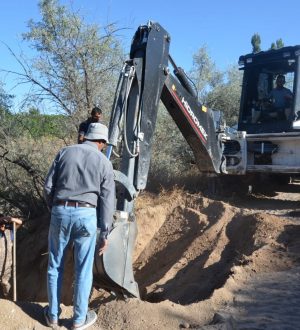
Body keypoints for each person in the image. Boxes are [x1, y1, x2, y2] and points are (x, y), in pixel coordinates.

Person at [43, 122, 115, 330]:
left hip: (60, 210)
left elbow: (48, 187)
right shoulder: (104, 162)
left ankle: (53, 317)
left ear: (86, 137)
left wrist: (55, 209)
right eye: (104, 144)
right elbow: (107, 201)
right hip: (87, 214)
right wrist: (105, 231)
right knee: (83, 269)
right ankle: (78, 320)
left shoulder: (64, 152)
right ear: (101, 142)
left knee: (55, 265)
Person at [0, 215, 22, 299]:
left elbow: (20, 222)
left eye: (4, 224)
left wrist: (10, 219)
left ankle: (7, 300)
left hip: (6, 266)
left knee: (5, 283)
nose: (3, 225)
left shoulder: (10, 232)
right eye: (1, 223)